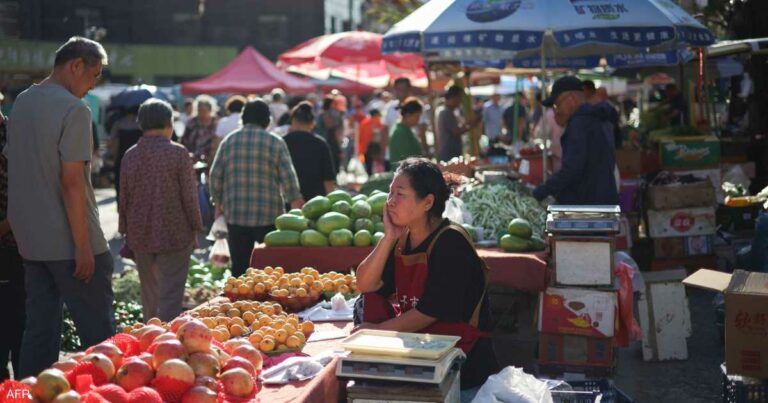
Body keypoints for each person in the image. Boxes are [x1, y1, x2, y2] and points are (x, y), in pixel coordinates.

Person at [5, 37, 115, 378]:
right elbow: (72, 182)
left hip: (31, 243)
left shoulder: (22, 103)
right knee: (101, 342)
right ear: (76, 66)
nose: (93, 85)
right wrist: (83, 246)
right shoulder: (74, 109)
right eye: (93, 75)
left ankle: (26, 396)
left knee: (38, 335)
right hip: (71, 241)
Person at [354, 158, 499, 394]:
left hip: (464, 367)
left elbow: (429, 311)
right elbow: (365, 285)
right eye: (390, 193)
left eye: (400, 194)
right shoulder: (402, 239)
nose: (390, 201)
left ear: (428, 202)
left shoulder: (451, 241)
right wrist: (388, 237)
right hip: (423, 353)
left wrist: (378, 331)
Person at [118, 99, 202, 322]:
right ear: (169, 124)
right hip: (175, 233)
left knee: (150, 297)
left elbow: (124, 197)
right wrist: (196, 228)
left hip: (140, 234)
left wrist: (125, 230)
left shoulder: (130, 155)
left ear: (141, 124)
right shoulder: (178, 153)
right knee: (171, 296)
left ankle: (150, 335)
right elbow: (189, 197)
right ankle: (167, 337)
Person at [210, 99, 303, 277]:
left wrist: (218, 205)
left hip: (235, 214)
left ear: (243, 118)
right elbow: (289, 180)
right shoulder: (275, 142)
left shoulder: (229, 141)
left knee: (239, 267)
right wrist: (294, 204)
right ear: (267, 120)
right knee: (270, 269)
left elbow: (215, 177)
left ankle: (239, 294)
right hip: (269, 215)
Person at [533, 76, 619, 205]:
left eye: (557, 105)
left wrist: (540, 192)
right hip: (604, 200)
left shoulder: (579, 124)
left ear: (571, 99)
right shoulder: (598, 118)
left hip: (586, 204)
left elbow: (572, 170)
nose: (556, 111)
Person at [0, 108, 25, 381]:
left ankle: (18, 392)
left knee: (16, 325)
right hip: (17, 245)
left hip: (13, 247)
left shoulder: (15, 136)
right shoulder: (17, 133)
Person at [283, 101, 337, 201]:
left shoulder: (283, 142)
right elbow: (328, 181)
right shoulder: (320, 144)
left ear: (293, 122)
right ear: (312, 124)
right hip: (317, 203)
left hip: (289, 202)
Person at [108, 106, 142, 207]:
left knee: (120, 185)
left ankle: (121, 207)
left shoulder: (118, 124)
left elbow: (111, 142)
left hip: (121, 158)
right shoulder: (141, 123)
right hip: (139, 159)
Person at [384, 78, 428, 153]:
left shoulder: (418, 106)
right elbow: (385, 132)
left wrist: (425, 150)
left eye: (404, 89)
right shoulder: (389, 107)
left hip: (412, 150)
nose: (402, 92)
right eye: (399, 89)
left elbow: (422, 132)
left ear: (409, 89)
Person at [437, 86, 474, 162]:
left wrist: (467, 124)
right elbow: (456, 131)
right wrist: (470, 126)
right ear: (453, 98)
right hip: (449, 153)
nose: (460, 101)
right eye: (459, 98)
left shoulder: (448, 111)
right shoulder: (446, 112)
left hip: (450, 152)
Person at [181, 94, 218, 162]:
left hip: (210, 158)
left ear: (210, 110)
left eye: (204, 110)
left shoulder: (216, 123)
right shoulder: (191, 122)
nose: (202, 113)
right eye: (199, 110)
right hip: (192, 157)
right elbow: (184, 140)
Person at [389, 97, 424, 166]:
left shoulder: (407, 130)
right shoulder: (400, 133)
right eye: (417, 116)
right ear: (408, 115)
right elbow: (410, 160)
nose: (418, 119)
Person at [316, 96, 343, 174]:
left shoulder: (321, 114)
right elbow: (330, 126)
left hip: (326, 141)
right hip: (329, 141)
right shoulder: (327, 114)